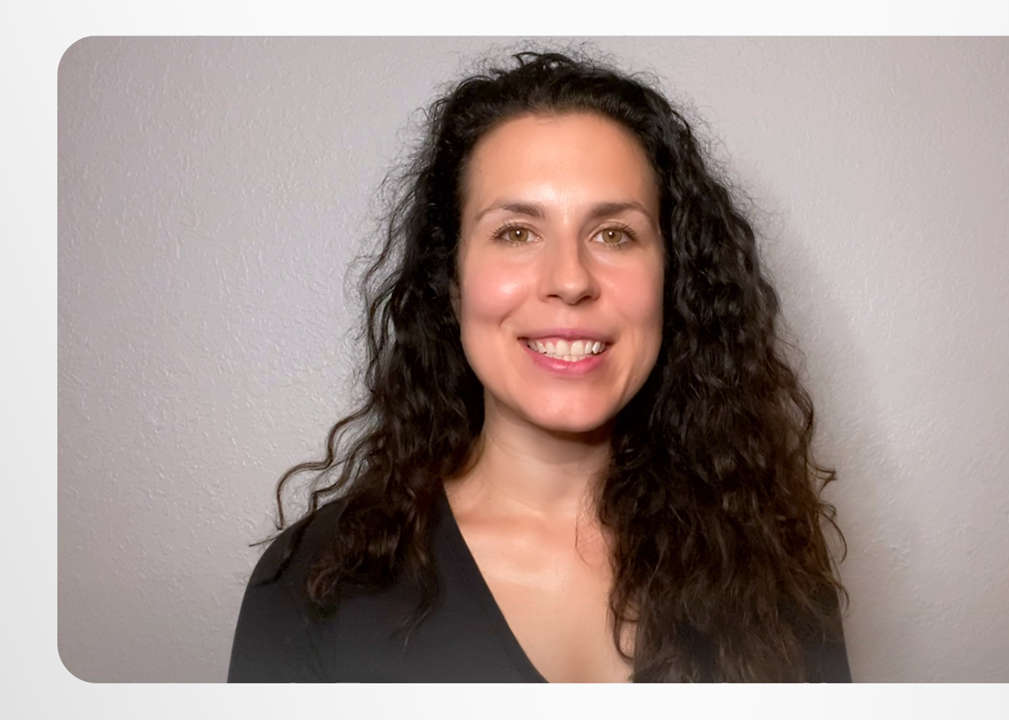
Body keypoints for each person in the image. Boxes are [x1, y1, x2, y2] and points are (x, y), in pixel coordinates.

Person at [228, 49, 850, 683]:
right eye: (517, 232)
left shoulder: (770, 560)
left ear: (672, 278)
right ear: (451, 283)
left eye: (614, 234)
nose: (571, 280)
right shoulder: (316, 584)